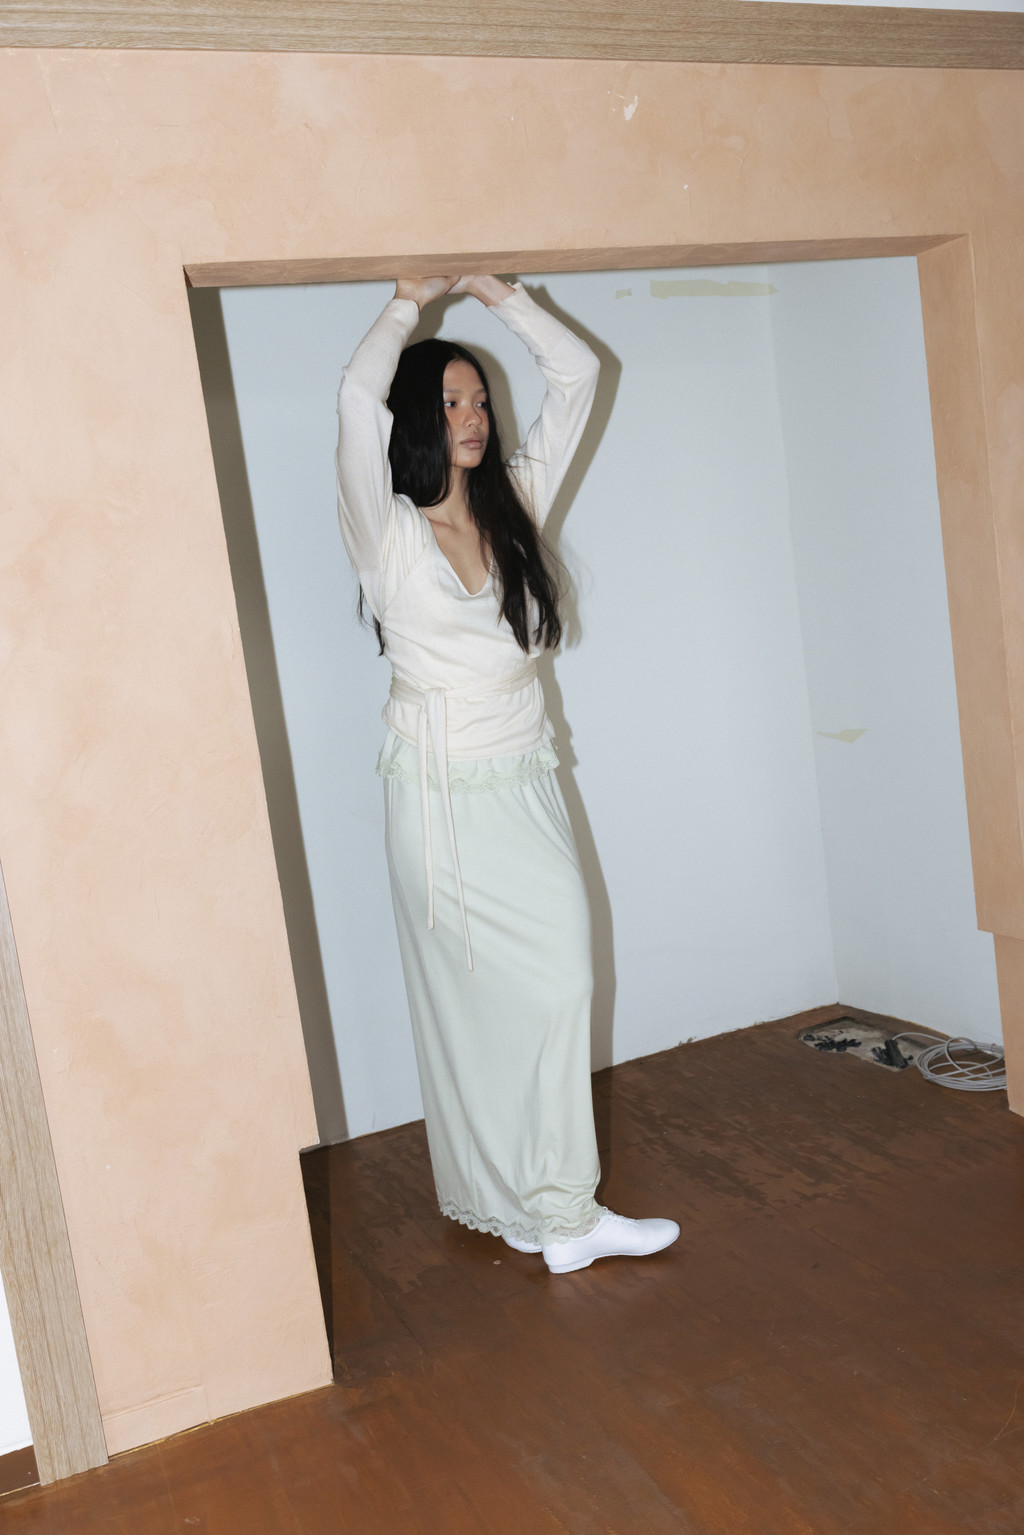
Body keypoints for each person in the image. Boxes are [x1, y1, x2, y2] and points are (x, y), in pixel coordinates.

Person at [335, 272, 679, 1274]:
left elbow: (577, 375)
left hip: (524, 780)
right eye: (451, 401)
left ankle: (555, 1204)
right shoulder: (386, 534)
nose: (474, 416)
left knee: (563, 980)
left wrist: (501, 296)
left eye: (480, 398)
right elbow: (354, 397)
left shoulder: (513, 504)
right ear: (417, 417)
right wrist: (406, 304)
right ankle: (549, 1211)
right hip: (437, 797)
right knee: (480, 1009)